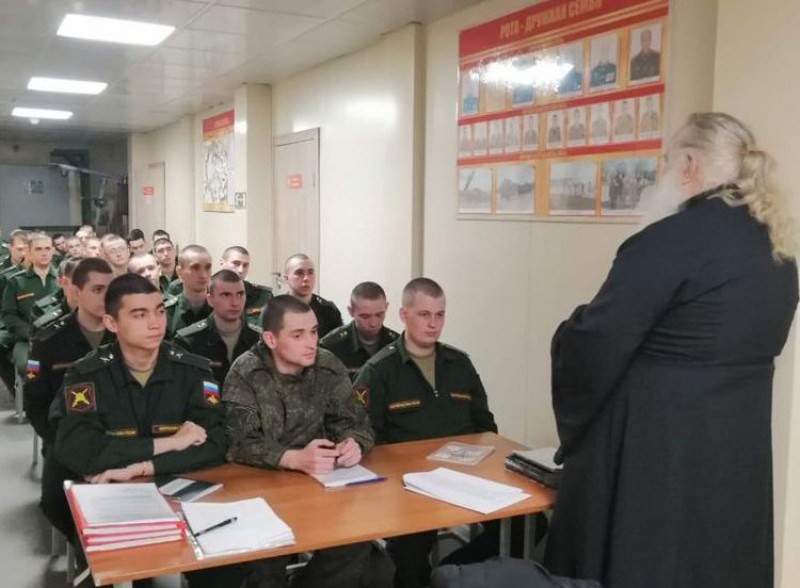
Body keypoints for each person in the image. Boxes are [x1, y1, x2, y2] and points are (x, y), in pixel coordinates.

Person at [544, 113, 798, 588]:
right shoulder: (778, 253)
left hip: (655, 453)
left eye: (667, 162)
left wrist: (568, 332)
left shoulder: (668, 241)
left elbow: (595, 344)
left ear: (688, 164)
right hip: (735, 455)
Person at [51, 273, 231, 588]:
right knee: (107, 575)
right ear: (111, 322)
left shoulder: (192, 370)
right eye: (139, 314)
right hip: (112, 496)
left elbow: (217, 442)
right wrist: (170, 443)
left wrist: (141, 466)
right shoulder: (87, 375)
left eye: (160, 311)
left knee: (227, 570)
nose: (155, 323)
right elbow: (78, 449)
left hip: (182, 491)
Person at [354, 278, 501, 588]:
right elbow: (366, 439)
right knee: (410, 559)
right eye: (424, 314)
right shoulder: (379, 371)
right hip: (409, 487)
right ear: (404, 315)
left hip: (465, 476)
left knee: (529, 525)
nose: (433, 324)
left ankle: (448, 571)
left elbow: (485, 425)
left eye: (440, 314)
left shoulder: (459, 364)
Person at [225, 294, 375, 587]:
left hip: (320, 486)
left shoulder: (327, 365)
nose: (311, 343)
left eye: (314, 332)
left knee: (356, 542)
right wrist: (293, 458)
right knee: (265, 565)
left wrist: (354, 443)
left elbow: (356, 423)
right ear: (270, 339)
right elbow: (238, 442)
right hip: (260, 488)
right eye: (298, 335)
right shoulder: (246, 373)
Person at [25, 257, 116, 539]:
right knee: (54, 502)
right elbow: (35, 403)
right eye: (97, 290)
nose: (106, 297)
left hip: (120, 436)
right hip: (66, 437)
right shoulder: (48, 341)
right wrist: (62, 441)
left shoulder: (124, 334)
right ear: (76, 292)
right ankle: (84, 545)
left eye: (110, 290)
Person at [174, 269, 261, 385]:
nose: (235, 303)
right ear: (210, 300)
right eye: (226, 295)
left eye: (240, 294)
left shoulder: (260, 339)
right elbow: (179, 388)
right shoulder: (188, 341)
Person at [1, 232, 59, 378]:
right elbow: (9, 314)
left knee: (71, 365)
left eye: (47, 248)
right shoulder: (17, 282)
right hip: (28, 341)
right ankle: (30, 391)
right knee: (30, 369)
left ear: (53, 250)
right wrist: (30, 334)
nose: (44, 253)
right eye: (38, 249)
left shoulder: (63, 280)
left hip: (60, 338)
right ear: (29, 252)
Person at [319, 281, 399, 380]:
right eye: (365, 316)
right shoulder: (331, 346)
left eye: (379, 315)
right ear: (351, 311)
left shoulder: (398, 345)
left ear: (386, 307)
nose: (373, 323)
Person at [283, 253, 342, 338]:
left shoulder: (328, 310)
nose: (306, 278)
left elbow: (339, 342)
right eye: (299, 273)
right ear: (286, 278)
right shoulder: (274, 311)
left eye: (310, 272)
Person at [166, 245, 213, 337]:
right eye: (195, 268)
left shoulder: (220, 310)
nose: (203, 275)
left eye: (207, 267)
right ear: (180, 272)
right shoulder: (167, 313)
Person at [220, 245, 273, 324]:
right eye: (236, 263)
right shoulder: (206, 292)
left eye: (245, 265)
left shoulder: (263, 296)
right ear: (222, 262)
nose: (241, 270)